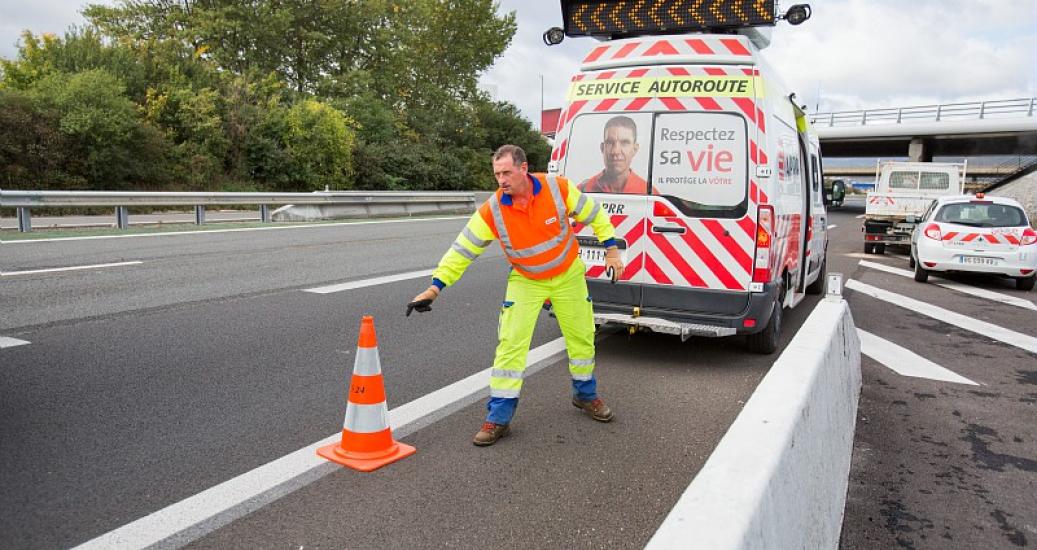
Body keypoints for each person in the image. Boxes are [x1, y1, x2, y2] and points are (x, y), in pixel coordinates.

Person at [407, 144, 624, 446]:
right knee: (510, 346)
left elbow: (596, 215)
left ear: (524, 168)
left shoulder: (557, 188)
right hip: (526, 280)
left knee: (582, 337)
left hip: (567, 275)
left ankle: (586, 396)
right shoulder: (493, 210)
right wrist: (435, 288)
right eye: (497, 174)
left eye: (506, 172)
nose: (501, 180)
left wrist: (611, 251)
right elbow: (462, 250)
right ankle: (498, 418)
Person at [579, 115, 648, 194]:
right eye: (610, 142)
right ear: (602, 148)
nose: (615, 151)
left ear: (635, 149)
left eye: (624, 143)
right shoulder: (582, 190)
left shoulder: (648, 192)